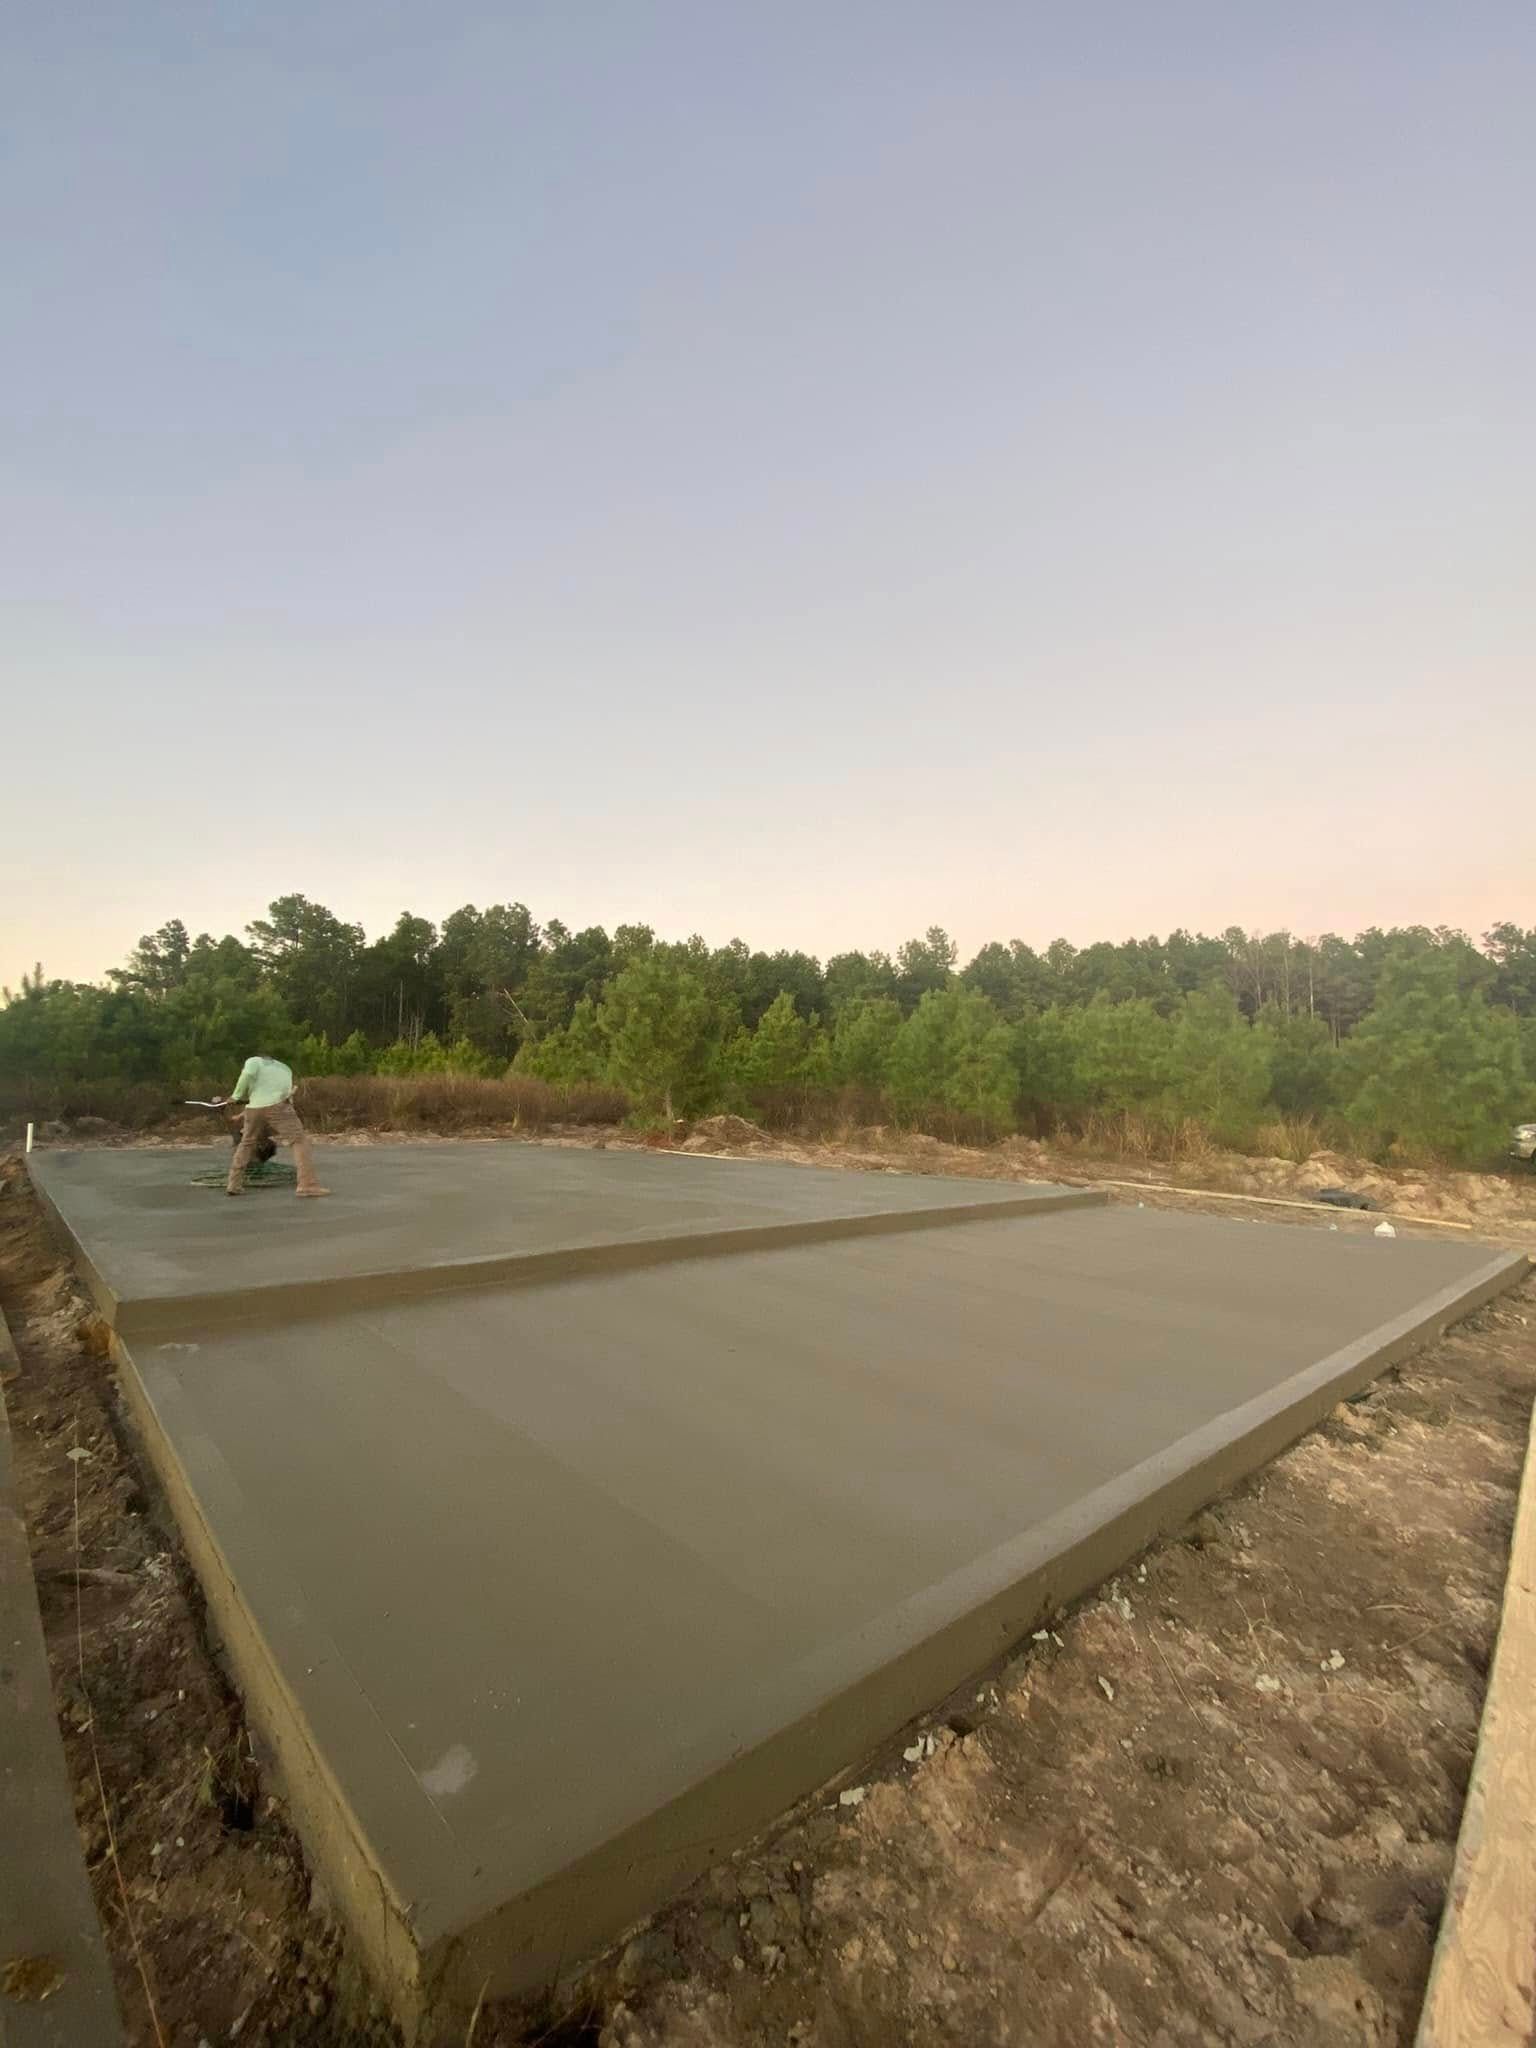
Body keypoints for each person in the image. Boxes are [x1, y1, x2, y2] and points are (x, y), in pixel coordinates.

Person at [220, 1055, 330, 1199]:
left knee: (247, 1142)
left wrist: (236, 1096)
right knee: (299, 1141)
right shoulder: (286, 1069)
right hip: (279, 1107)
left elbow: (250, 1082)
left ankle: (234, 1184)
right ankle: (307, 1185)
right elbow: (283, 1097)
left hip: (254, 1109)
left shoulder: (254, 1061)